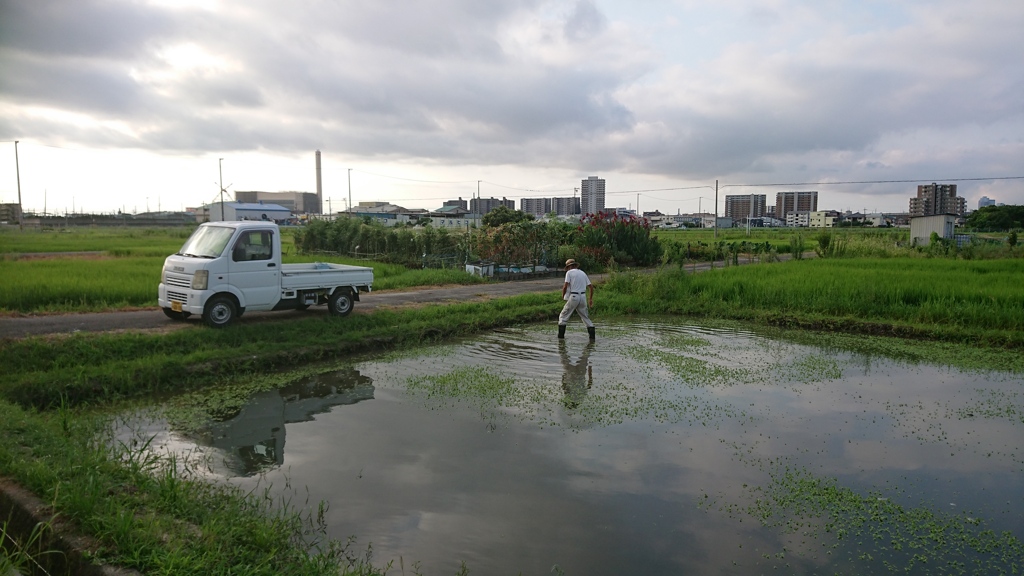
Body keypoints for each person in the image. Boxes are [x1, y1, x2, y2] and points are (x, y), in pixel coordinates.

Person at [558, 258, 595, 340]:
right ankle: (592, 338)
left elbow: (565, 285)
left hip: (574, 296)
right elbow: (591, 287)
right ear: (575, 265)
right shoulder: (582, 273)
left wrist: (563, 295)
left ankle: (560, 339)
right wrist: (590, 299)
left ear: (569, 267)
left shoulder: (569, 273)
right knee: (585, 317)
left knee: (563, 316)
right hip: (583, 297)